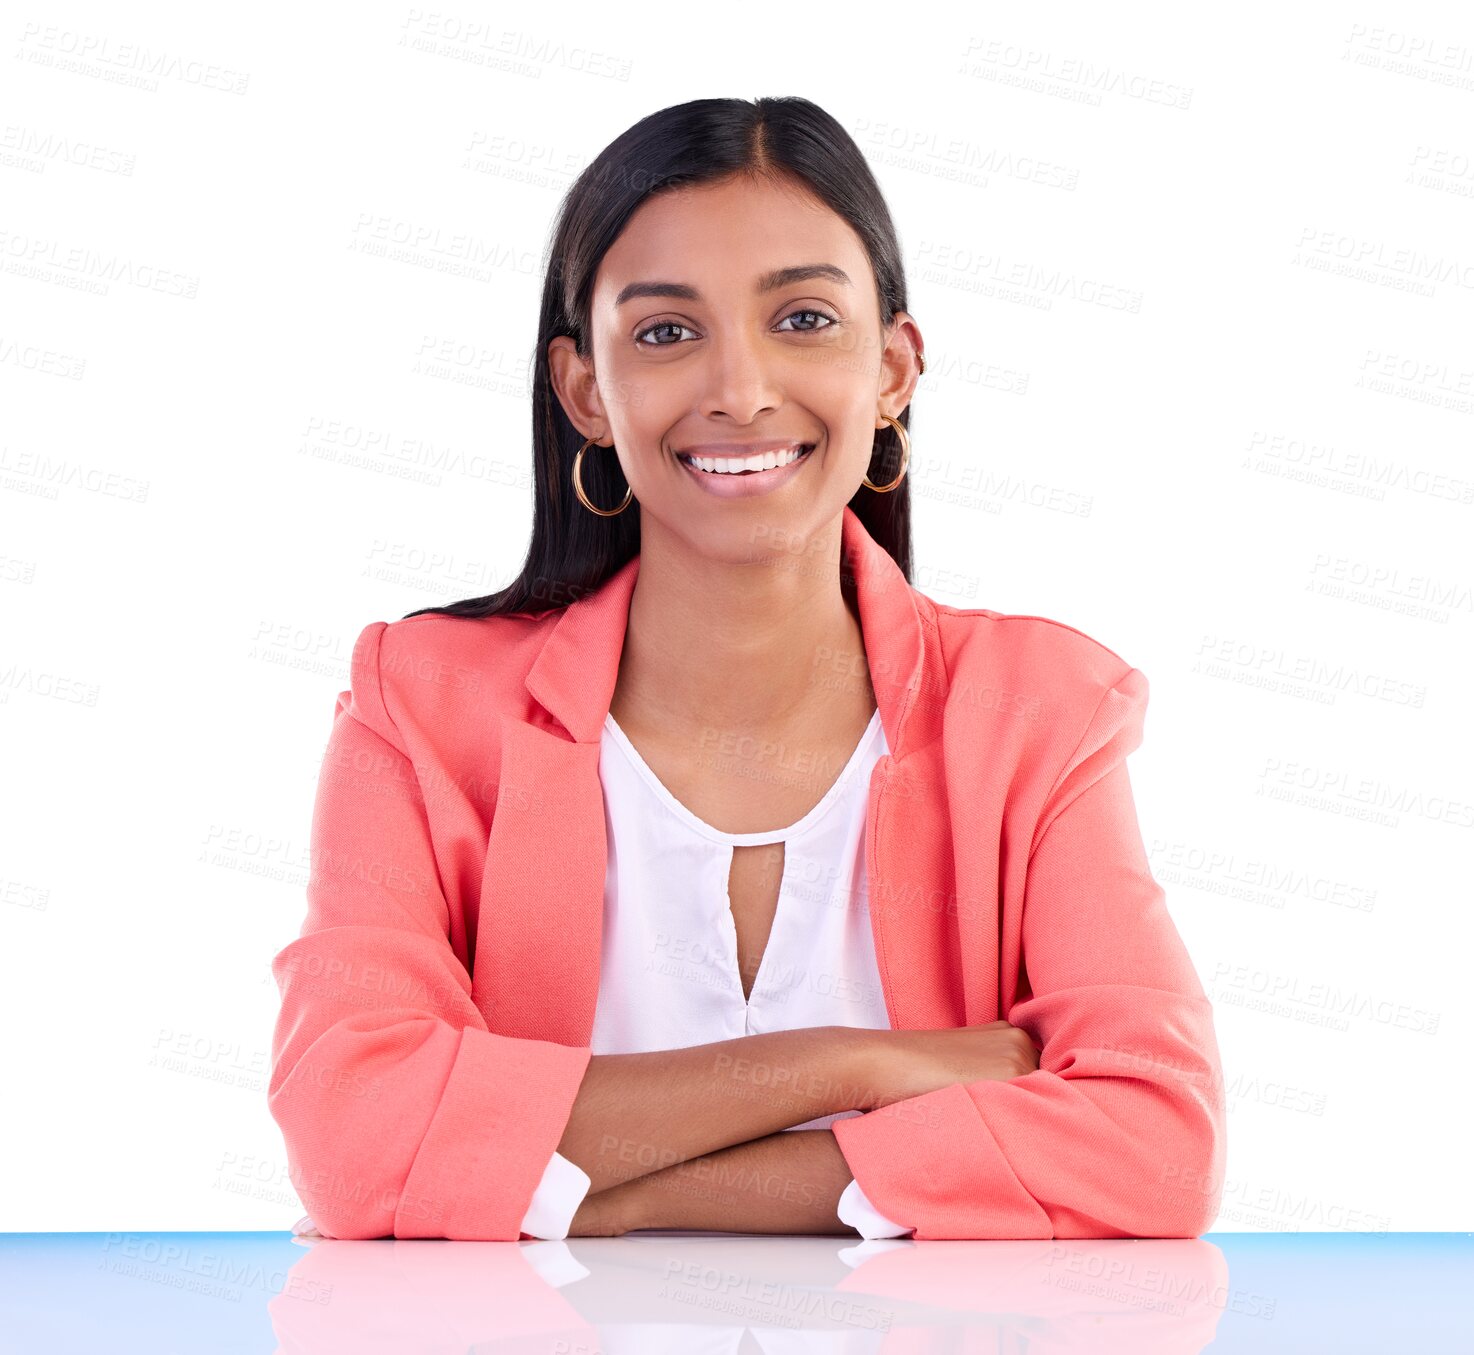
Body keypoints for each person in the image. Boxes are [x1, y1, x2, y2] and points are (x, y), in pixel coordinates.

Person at [268, 96, 1226, 1243]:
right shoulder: (420, 707)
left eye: (805, 318)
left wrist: (615, 1188)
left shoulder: (1040, 713)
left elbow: (1155, 1147)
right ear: (583, 390)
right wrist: (855, 1065)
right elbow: (354, 1136)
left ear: (892, 366)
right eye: (667, 332)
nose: (740, 388)